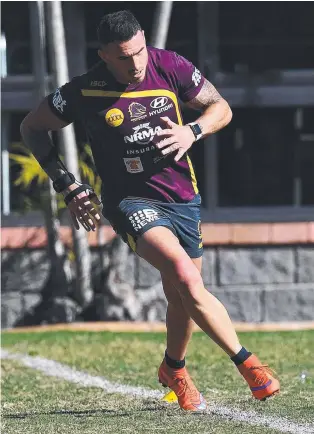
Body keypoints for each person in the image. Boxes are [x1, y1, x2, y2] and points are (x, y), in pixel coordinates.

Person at [21, 10, 280, 411]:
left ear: (145, 40)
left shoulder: (171, 66)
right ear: (104, 55)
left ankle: (173, 368)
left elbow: (220, 108)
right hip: (130, 203)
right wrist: (68, 184)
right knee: (182, 276)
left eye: (139, 51)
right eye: (124, 58)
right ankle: (250, 366)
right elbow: (31, 127)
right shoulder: (84, 90)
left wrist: (191, 130)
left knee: (181, 297)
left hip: (182, 199)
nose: (136, 64)